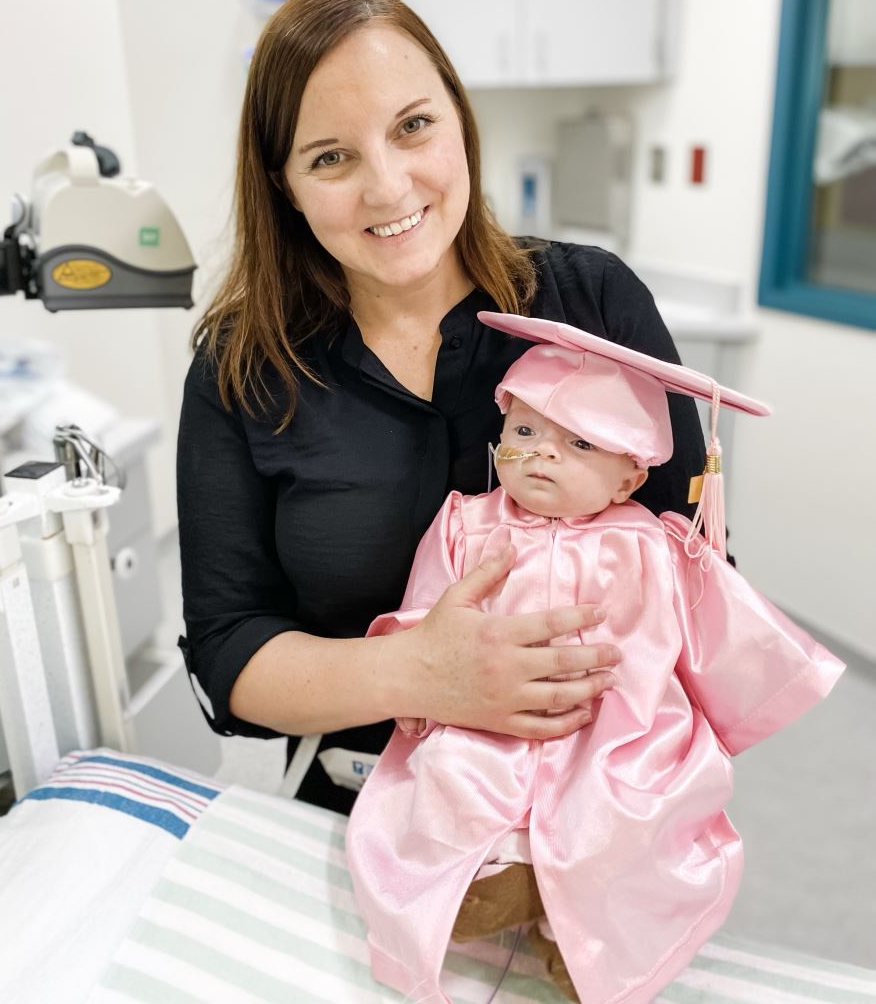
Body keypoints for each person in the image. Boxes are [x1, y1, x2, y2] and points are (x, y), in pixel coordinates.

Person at [177, 0, 707, 815]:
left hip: (599, 796)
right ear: (285, 184)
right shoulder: (243, 367)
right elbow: (228, 648)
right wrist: (421, 672)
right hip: (351, 803)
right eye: (331, 157)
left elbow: (698, 571)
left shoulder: (594, 305)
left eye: (413, 126)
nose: (387, 189)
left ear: (460, 120)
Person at [344, 314, 845, 1004]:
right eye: (525, 433)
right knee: (452, 773)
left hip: (618, 728)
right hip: (486, 719)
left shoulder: (653, 546)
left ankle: (585, 947)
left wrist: (742, 703)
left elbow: (720, 639)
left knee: (627, 809)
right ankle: (497, 879)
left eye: (580, 441)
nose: (541, 454)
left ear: (628, 476)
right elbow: (422, 622)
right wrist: (429, 689)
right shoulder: (467, 522)